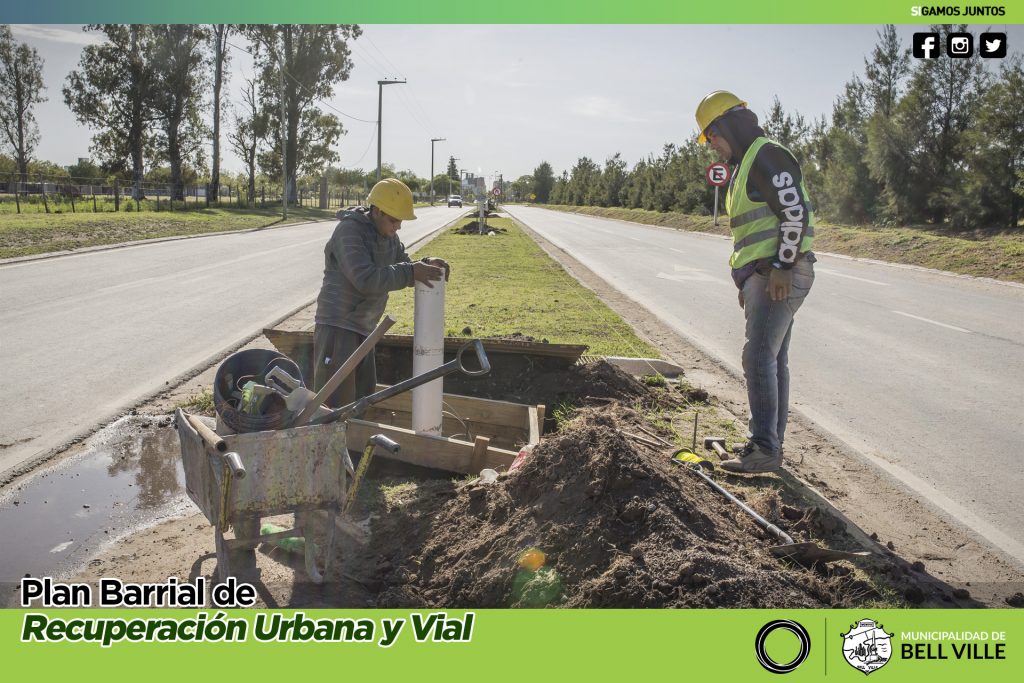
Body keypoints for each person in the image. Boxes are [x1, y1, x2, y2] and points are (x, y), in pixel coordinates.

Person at [695, 91, 816, 473]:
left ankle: (763, 448)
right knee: (772, 359)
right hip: (763, 274)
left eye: (712, 134)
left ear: (728, 125)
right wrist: (746, 281)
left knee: (758, 357)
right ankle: (770, 445)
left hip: (777, 273)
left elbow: (793, 211)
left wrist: (781, 265)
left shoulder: (767, 155)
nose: (711, 144)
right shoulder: (747, 162)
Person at [313, 177, 449, 408]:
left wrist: (426, 264)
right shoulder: (349, 232)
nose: (398, 227)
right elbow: (364, 279)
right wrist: (411, 272)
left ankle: (354, 442)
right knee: (335, 403)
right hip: (338, 327)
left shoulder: (388, 237)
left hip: (364, 328)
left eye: (400, 222)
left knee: (362, 398)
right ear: (377, 211)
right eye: (394, 221)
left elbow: (404, 264)